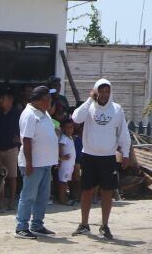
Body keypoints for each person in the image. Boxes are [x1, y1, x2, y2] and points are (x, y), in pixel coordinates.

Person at [71, 77, 133, 239]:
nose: (104, 95)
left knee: (107, 191)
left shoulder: (117, 109)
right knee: (86, 191)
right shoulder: (89, 107)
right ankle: (84, 224)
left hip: (108, 158)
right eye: (101, 91)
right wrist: (89, 99)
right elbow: (76, 118)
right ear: (96, 91)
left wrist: (125, 153)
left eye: (107, 91)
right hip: (89, 155)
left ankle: (104, 225)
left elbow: (123, 133)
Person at [15, 86, 59, 238]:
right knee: (28, 195)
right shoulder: (29, 115)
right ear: (40, 101)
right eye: (48, 100)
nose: (50, 103)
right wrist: (29, 163)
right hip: (34, 164)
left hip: (45, 162)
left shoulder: (43, 112)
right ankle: (21, 226)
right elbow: (27, 140)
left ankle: (37, 224)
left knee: (43, 196)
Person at [0, 91, 21, 211]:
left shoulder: (18, 113)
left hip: (11, 148)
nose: (1, 100)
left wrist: (20, 140)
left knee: (12, 176)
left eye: (3, 98)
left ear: (10, 99)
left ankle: (11, 202)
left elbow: (24, 128)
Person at [55, 118, 77, 206]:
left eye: (71, 127)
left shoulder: (70, 137)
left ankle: (63, 197)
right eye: (67, 128)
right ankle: (62, 199)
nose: (70, 129)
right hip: (65, 164)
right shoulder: (63, 138)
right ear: (63, 129)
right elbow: (59, 146)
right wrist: (61, 156)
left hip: (69, 165)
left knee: (65, 181)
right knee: (63, 182)